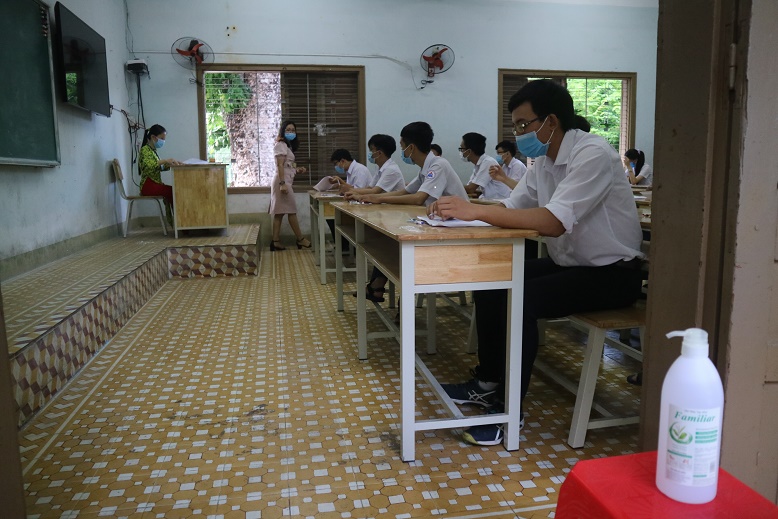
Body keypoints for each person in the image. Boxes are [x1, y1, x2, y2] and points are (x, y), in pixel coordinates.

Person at [429, 79, 644, 446]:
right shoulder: (544, 161)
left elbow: (552, 222)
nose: (520, 133)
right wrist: (461, 214)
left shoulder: (593, 154)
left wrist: (473, 210)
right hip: (572, 266)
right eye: (516, 126)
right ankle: (488, 381)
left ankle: (509, 409)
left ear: (551, 121)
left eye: (523, 125)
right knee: (491, 278)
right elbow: (511, 208)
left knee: (521, 299)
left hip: (612, 274)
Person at [348, 121, 469, 301]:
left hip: (459, 228)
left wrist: (378, 198)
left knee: (399, 245)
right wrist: (374, 198)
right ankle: (378, 286)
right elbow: (405, 191)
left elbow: (418, 198)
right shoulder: (425, 169)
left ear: (411, 147)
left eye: (402, 147)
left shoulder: (438, 165)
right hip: (439, 223)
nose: (402, 152)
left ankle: (394, 297)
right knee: (389, 241)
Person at [269, 120, 312, 251]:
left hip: (286, 181)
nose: (291, 132)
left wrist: (297, 169)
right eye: (288, 130)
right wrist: (282, 184)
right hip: (282, 183)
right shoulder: (281, 144)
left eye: (293, 130)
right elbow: (280, 165)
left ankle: (275, 241)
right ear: (283, 131)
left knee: (280, 213)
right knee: (291, 211)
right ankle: (300, 239)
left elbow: (287, 164)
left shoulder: (286, 146)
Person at [138, 124, 181, 223]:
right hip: (148, 185)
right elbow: (150, 166)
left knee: (174, 191)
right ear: (153, 137)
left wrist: (171, 164)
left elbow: (159, 167)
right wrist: (165, 160)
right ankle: (179, 223)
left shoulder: (152, 151)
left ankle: (179, 223)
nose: (163, 141)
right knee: (172, 191)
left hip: (153, 183)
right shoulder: (145, 150)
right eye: (162, 138)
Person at [341, 134, 406, 197]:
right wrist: (351, 191)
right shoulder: (380, 168)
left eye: (371, 150)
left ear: (379, 153)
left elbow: (375, 191)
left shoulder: (391, 169)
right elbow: (369, 188)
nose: (370, 153)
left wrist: (350, 190)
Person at [461, 133, 512, 201]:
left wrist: (452, 186)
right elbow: (470, 188)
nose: (461, 152)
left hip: (499, 202)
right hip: (491, 201)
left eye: (461, 149)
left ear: (469, 151)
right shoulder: (478, 165)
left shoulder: (488, 162)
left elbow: (471, 189)